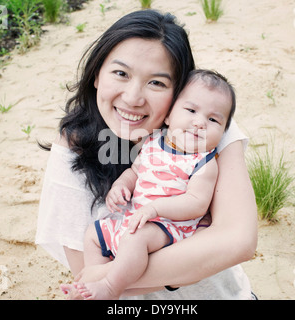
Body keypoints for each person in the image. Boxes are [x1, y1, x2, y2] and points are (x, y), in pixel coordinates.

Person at [35, 9, 257, 300]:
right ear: (97, 75)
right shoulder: (73, 148)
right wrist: (193, 260)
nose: (133, 98)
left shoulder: (204, 126)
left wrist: (107, 277)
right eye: (121, 73)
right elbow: (85, 265)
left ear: (178, 92)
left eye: (157, 83)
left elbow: (238, 242)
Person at [73, 70, 235, 300]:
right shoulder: (153, 142)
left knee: (134, 238)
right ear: (168, 116)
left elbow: (196, 203)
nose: (199, 123)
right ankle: (94, 281)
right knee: (93, 234)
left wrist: (156, 209)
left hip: (172, 227)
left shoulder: (203, 162)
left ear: (224, 131)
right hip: (138, 217)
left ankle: (110, 287)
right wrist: (121, 186)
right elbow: (135, 171)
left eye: (213, 120)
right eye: (191, 111)